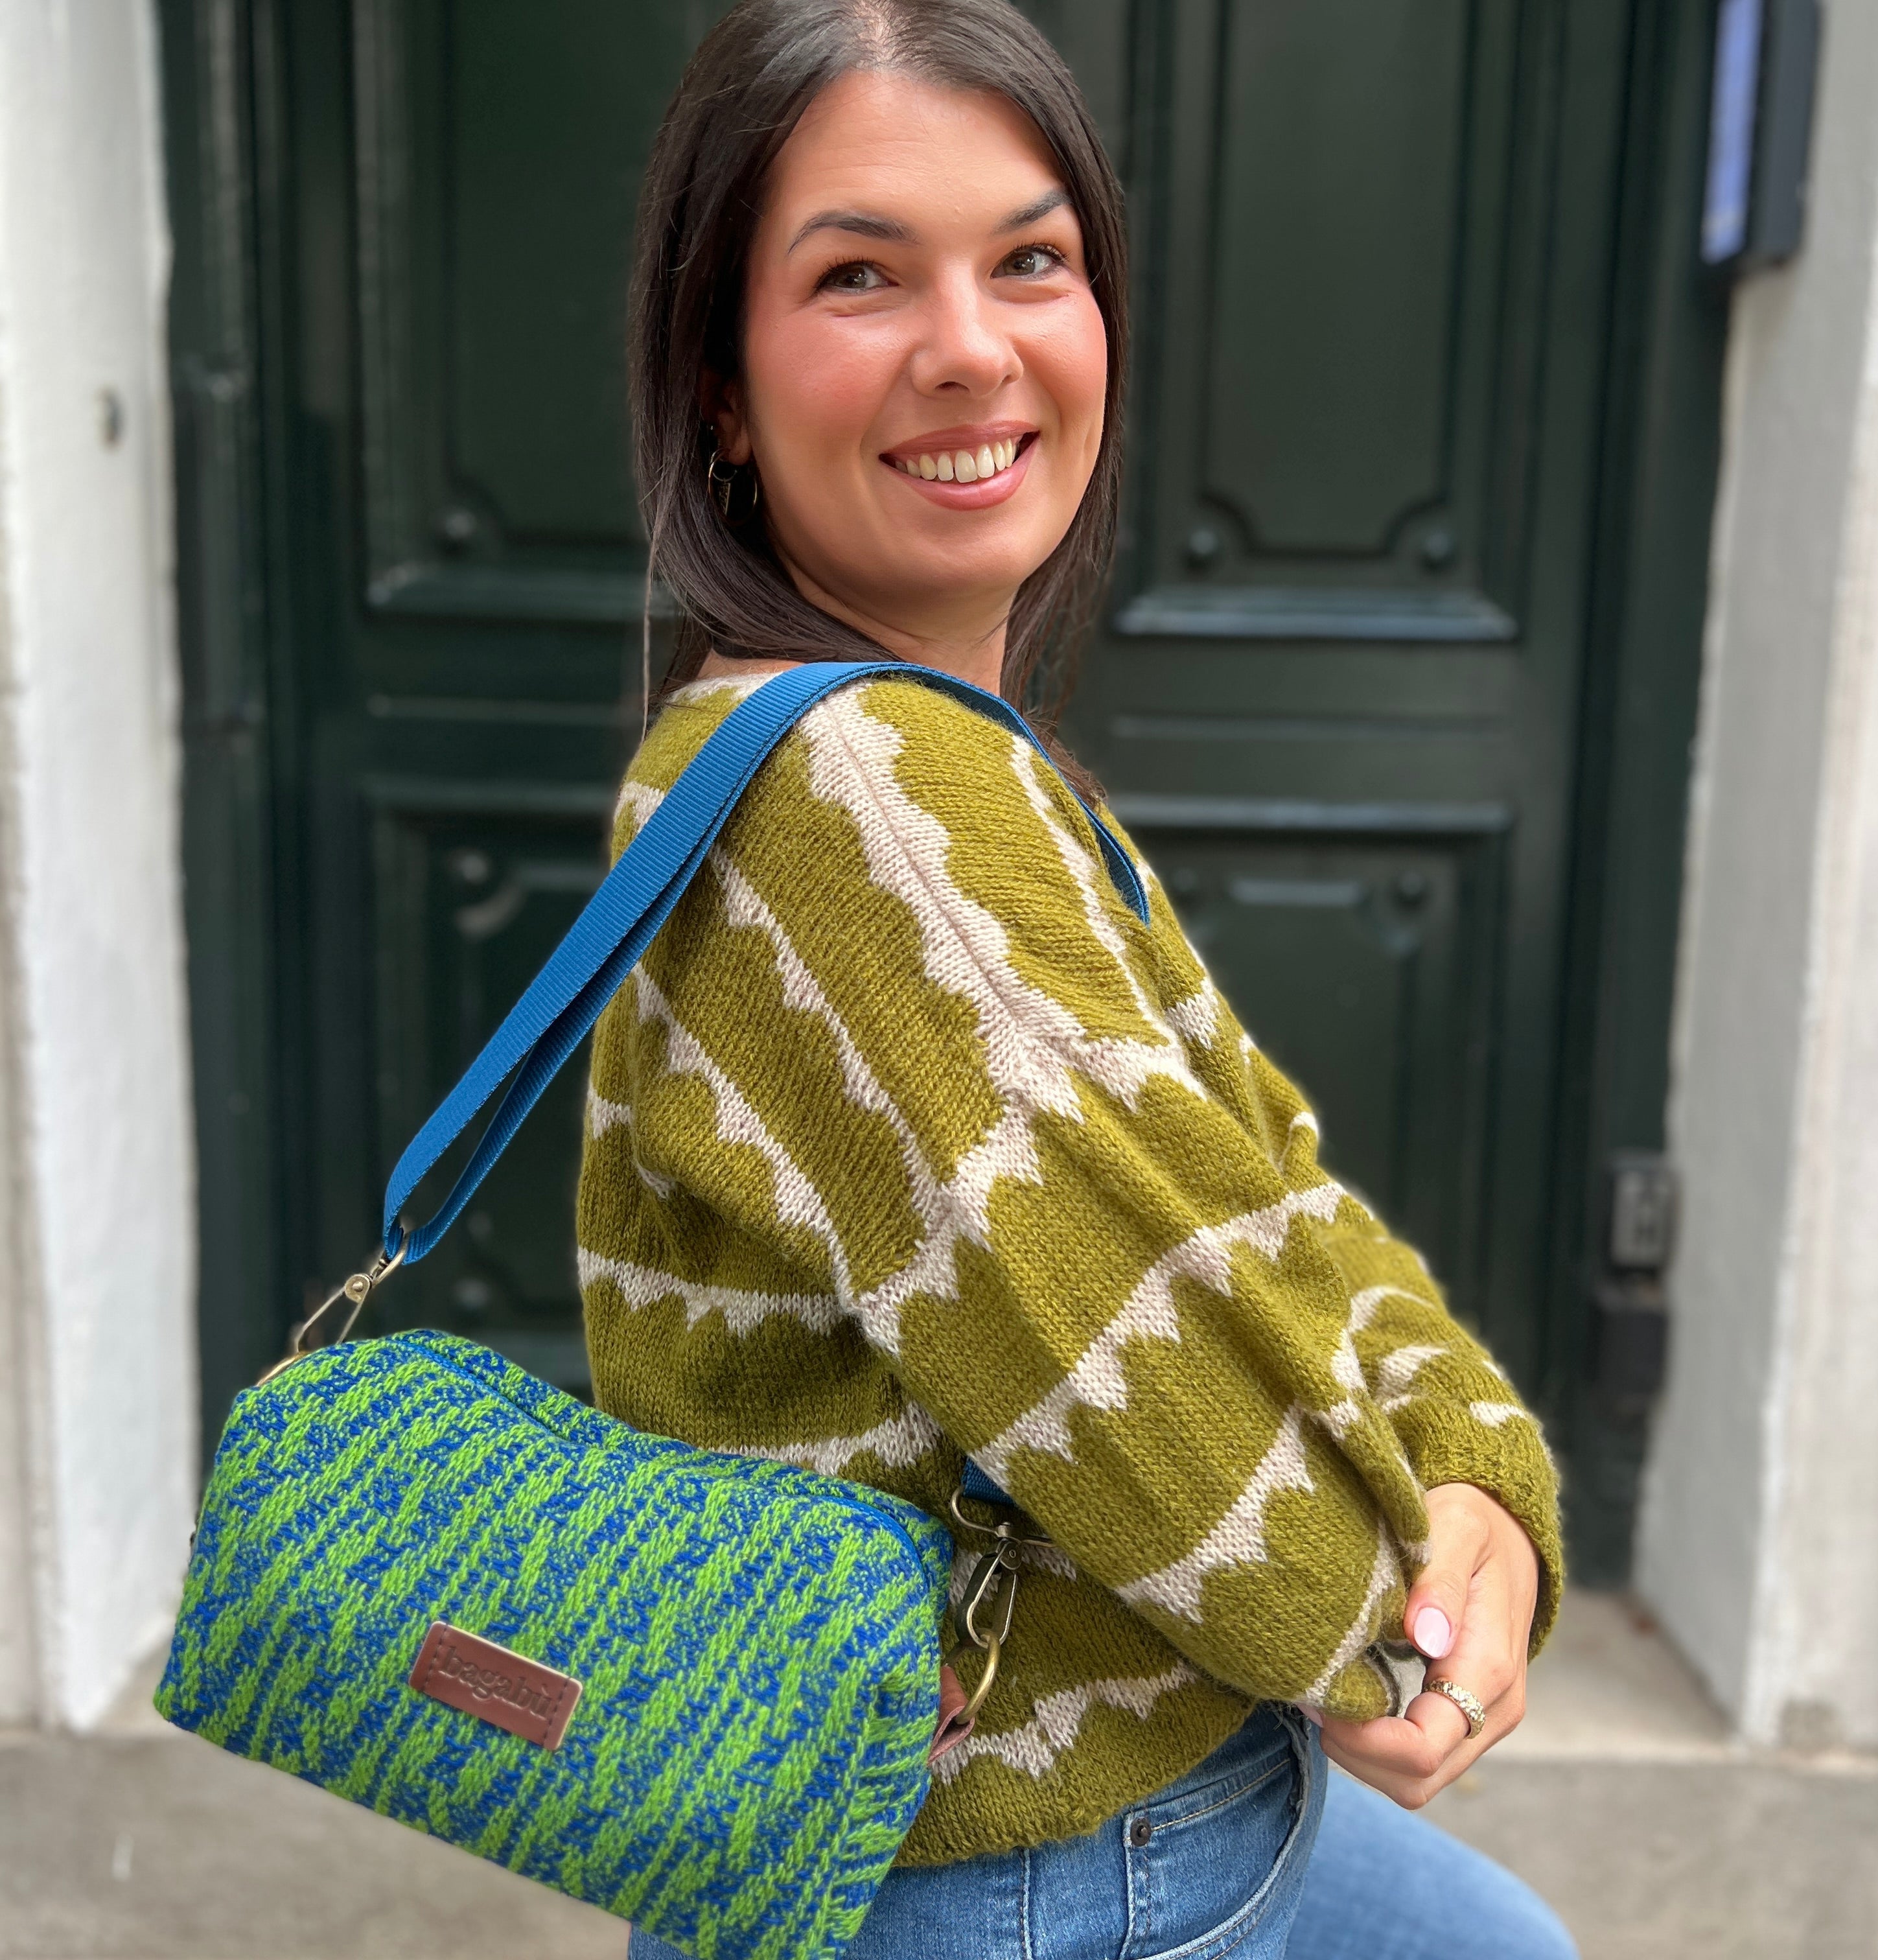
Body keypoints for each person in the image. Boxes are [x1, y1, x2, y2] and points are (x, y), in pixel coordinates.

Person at [580, 2, 1578, 1954]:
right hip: (1025, 1863)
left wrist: (1473, 1459)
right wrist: (1409, 1622)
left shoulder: (917, 755)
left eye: (1031, 260)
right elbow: (1127, 1350)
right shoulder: (855, 789)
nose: (974, 344)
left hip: (1083, 1815)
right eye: (861, 274)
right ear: (719, 380)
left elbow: (1262, 1179)